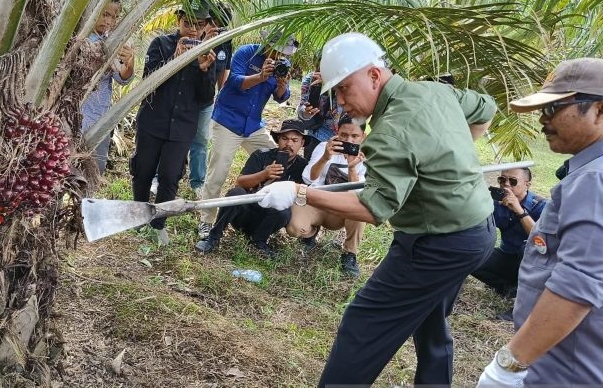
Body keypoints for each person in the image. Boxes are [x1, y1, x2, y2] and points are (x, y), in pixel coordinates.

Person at [257, 32, 497, 386]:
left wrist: (300, 191)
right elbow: (485, 108)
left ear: (373, 75)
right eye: (335, 92)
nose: (340, 101)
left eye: (344, 89)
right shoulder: (434, 91)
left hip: (436, 244)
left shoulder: (391, 130)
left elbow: (373, 208)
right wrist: (450, 155)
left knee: (363, 325)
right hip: (478, 231)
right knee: (431, 322)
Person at [476, 58, 603, 387]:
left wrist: (509, 365)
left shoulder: (594, 180)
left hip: (567, 369)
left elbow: (577, 286)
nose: (543, 119)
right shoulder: (587, 172)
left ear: (600, 110)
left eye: (556, 107)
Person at [130, 0, 216, 245]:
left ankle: (158, 224)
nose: (191, 28)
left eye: (197, 24)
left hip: (182, 126)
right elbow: (148, 81)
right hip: (152, 120)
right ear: (178, 20)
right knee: (143, 169)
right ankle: (138, 217)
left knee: (170, 175)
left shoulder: (207, 54)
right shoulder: (161, 44)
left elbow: (206, 97)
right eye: (187, 22)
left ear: (205, 26)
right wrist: (174, 59)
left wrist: (203, 71)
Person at [197, 29, 297, 239]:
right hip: (228, 121)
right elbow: (233, 82)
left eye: (284, 53)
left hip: (253, 125)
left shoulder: (282, 65)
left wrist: (281, 86)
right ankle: (206, 221)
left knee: (278, 160)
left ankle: (260, 213)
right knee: (218, 171)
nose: (280, 55)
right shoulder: (246, 53)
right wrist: (261, 76)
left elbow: (281, 98)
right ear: (267, 44)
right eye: (277, 50)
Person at [194, 119, 308, 258]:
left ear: (302, 143)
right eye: (284, 138)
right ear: (278, 139)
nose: (289, 144)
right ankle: (214, 236)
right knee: (236, 193)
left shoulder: (303, 166)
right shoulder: (261, 155)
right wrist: (264, 174)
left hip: (268, 218)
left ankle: (259, 241)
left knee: (284, 211)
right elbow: (239, 183)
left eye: (294, 140)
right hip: (246, 211)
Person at [302, 115, 367, 277]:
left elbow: (358, 194)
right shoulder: (324, 147)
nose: (349, 140)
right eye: (344, 135)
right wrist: (325, 157)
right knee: (295, 227)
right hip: (317, 204)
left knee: (362, 207)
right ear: (337, 132)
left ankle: (350, 254)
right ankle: (310, 233)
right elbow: (308, 178)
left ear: (363, 137)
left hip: (340, 211)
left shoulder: (365, 159)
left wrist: (352, 168)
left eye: (355, 136)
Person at [471, 168, 547, 302]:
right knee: (471, 257)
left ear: (527, 185)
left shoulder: (542, 206)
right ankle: (508, 289)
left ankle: (523, 297)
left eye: (513, 181)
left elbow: (541, 239)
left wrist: (519, 211)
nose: (506, 184)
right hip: (507, 256)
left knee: (526, 248)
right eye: (502, 179)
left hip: (533, 263)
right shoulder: (497, 203)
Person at [80, 0, 135, 172]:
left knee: (95, 170)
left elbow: (122, 78)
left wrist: (130, 63)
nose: (109, 21)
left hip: (98, 121)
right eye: (105, 14)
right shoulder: (77, 38)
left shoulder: (113, 42)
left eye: (114, 17)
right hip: (71, 117)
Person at [188, 2, 233, 197]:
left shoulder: (226, 42)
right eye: (212, 21)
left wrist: (220, 97)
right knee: (176, 137)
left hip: (206, 101)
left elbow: (224, 71)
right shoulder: (191, 38)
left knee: (201, 140)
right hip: (183, 98)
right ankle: (161, 176)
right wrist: (204, 40)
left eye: (221, 23)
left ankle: (197, 182)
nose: (216, 26)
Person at [298, 62, 341, 160]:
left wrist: (333, 86)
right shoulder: (310, 79)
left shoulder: (345, 82)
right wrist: (305, 113)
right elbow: (302, 110)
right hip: (315, 132)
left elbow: (340, 118)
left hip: (339, 136)